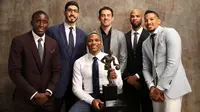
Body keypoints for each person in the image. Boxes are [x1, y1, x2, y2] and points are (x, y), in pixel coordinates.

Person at [8, 10, 61, 112]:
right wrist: (34, 94)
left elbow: (57, 70)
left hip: (47, 100)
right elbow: (14, 72)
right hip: (25, 100)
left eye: (45, 22)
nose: (41, 25)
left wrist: (48, 91)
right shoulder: (19, 41)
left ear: (48, 24)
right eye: (37, 21)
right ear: (31, 22)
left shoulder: (53, 43)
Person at [142, 10, 192, 112]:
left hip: (172, 87)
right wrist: (151, 87)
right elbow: (145, 68)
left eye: (151, 19)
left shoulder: (170, 33)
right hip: (155, 89)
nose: (148, 22)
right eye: (146, 20)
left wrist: (159, 88)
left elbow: (173, 63)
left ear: (159, 21)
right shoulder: (145, 43)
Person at [46, 1, 87, 111]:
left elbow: (84, 60)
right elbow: (46, 58)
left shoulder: (83, 35)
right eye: (69, 10)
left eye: (75, 11)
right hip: (56, 83)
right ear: (64, 12)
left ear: (78, 14)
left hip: (75, 85)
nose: (72, 13)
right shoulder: (52, 31)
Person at [69, 32, 123, 112]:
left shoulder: (111, 59)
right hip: (87, 97)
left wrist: (114, 79)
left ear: (101, 43)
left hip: (108, 97)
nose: (94, 43)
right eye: (90, 41)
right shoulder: (79, 62)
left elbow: (119, 86)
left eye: (97, 40)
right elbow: (76, 88)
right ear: (87, 44)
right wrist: (92, 101)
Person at [123, 9, 153, 112]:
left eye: (137, 16)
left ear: (142, 19)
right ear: (130, 19)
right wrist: (129, 77)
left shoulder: (149, 36)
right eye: (132, 16)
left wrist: (137, 76)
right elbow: (122, 59)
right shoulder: (124, 37)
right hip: (128, 83)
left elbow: (151, 61)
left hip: (146, 82)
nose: (135, 18)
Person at [95, 6, 127, 73]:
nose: (106, 18)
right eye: (103, 15)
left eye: (108, 15)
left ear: (112, 18)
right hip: (97, 74)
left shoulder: (120, 35)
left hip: (115, 74)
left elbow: (123, 59)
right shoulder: (92, 35)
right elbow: (90, 57)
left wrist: (117, 74)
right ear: (99, 18)